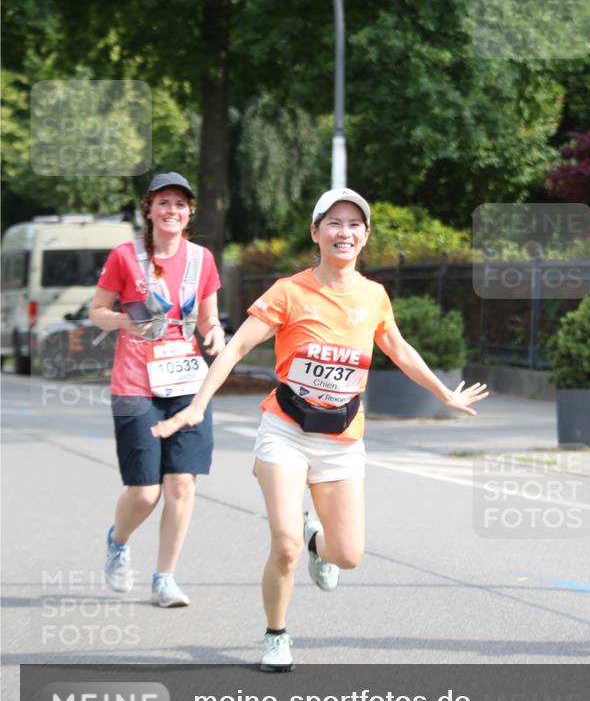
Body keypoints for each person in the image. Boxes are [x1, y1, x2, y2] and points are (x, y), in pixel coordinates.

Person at [151, 188, 488, 663]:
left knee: (347, 554)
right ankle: (276, 634)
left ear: (365, 236)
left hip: (342, 439)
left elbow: (400, 349)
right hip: (285, 430)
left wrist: (444, 393)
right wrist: (198, 403)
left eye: (354, 224)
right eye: (334, 222)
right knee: (283, 544)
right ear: (316, 232)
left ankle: (317, 540)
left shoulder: (373, 296)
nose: (344, 232)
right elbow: (236, 348)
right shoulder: (290, 292)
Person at [90, 172, 226, 607]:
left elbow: (209, 317)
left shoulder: (201, 259)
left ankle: (165, 578)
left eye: (180, 204)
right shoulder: (124, 256)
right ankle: (119, 539)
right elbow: (97, 312)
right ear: (149, 210)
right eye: (163, 203)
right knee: (145, 491)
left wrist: (216, 333)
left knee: (182, 484)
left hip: (186, 382)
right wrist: (125, 321)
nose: (172, 211)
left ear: (189, 213)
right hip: (135, 384)